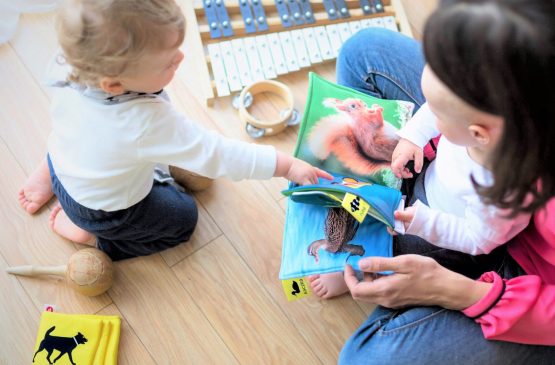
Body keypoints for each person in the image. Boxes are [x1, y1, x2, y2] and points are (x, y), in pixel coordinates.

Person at [326, 0, 555, 363]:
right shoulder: (485, 128)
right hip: (445, 182)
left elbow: (476, 239)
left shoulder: (500, 195)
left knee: (394, 255)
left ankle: (359, 273)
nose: (428, 110)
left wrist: (456, 289)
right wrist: (416, 136)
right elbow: (435, 113)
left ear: (479, 133)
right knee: (363, 51)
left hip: (465, 241)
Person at [17, 0, 331, 261]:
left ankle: (49, 172)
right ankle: (92, 237)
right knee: (183, 219)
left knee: (79, 135)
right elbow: (217, 154)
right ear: (114, 85)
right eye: (169, 62)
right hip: (103, 213)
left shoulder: (67, 63)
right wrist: (287, 165)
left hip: (66, 161)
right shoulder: (144, 123)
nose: (181, 58)